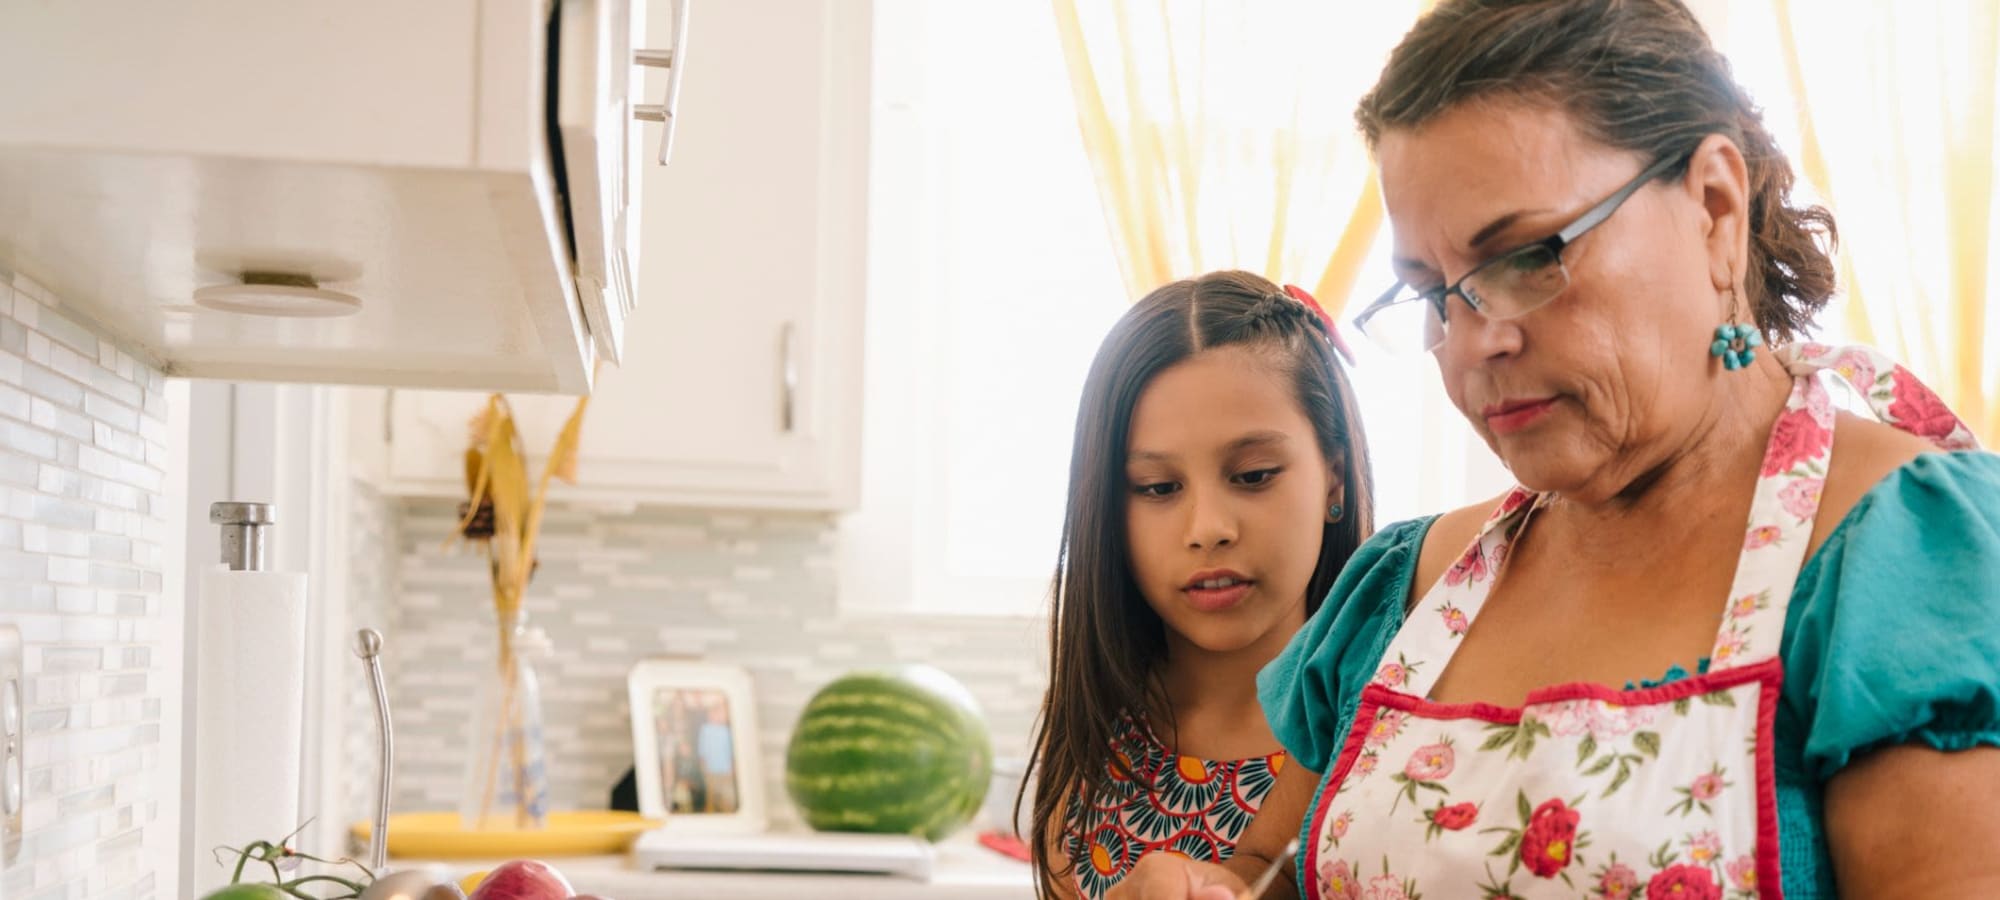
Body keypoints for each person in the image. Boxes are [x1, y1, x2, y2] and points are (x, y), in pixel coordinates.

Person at [1109, 2, 2000, 898]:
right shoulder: (1406, 593)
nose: (1471, 343)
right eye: (1433, 294)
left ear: (1715, 209)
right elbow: (1267, 866)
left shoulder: (1906, 561)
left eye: (1527, 256)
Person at [1023, 270, 1376, 899]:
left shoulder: (1389, 730)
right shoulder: (1088, 734)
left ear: (1335, 480)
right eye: (1158, 488)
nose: (1208, 529)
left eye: (1254, 475)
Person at [696, 697, 738, 813]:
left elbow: (732, 751)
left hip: (726, 771)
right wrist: (703, 765)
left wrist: (733, 767)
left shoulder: (728, 730)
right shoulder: (705, 730)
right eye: (713, 713)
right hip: (711, 771)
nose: (717, 716)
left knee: (727, 797)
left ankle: (728, 812)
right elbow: (702, 750)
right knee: (712, 797)